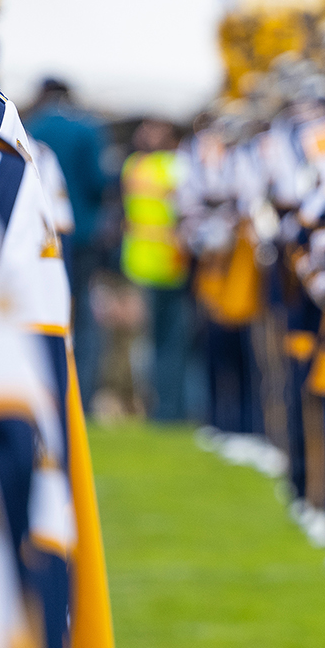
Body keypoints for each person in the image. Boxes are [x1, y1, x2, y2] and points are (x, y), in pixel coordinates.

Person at [28, 76, 112, 405]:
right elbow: (97, 181)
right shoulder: (86, 128)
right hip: (82, 233)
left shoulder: (29, 124)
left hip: (38, 234)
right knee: (84, 318)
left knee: (44, 307)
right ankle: (82, 393)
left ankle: (47, 387)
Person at [124, 118, 193, 421]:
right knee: (166, 342)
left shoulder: (135, 165)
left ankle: (165, 407)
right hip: (161, 261)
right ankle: (165, 408)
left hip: (157, 261)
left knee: (162, 342)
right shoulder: (176, 165)